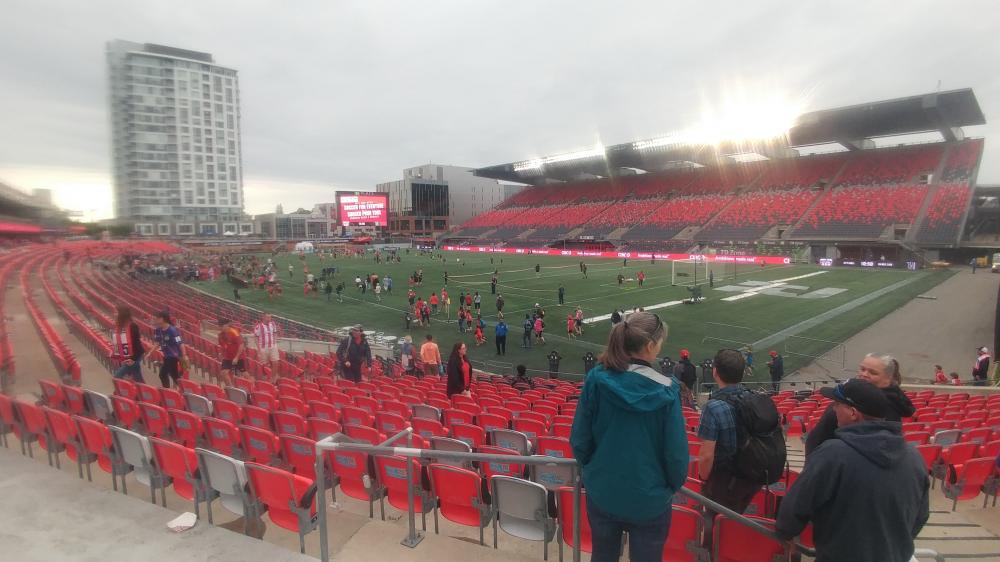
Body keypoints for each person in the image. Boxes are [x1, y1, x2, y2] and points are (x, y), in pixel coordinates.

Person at [570, 311, 687, 562]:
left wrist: (594, 472)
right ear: (649, 346)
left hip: (603, 492)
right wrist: (666, 488)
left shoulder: (596, 379)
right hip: (649, 499)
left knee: (602, 555)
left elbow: (580, 441)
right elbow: (676, 456)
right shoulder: (667, 391)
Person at [775, 379, 929, 562]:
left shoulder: (833, 453)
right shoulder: (914, 457)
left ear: (853, 413)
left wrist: (785, 532)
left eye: (838, 404)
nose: (833, 409)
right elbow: (920, 516)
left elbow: (796, 505)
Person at [805, 353, 915, 455]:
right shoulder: (897, 401)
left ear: (889, 378)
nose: (864, 374)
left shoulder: (843, 407)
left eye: (873, 372)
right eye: (862, 369)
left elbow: (815, 444)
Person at [697, 349, 761, 513]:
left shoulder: (712, 407)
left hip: (724, 482)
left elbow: (706, 456)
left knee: (716, 525)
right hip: (751, 476)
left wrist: (703, 480)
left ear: (715, 372)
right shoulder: (754, 397)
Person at [111, 305, 145, 383]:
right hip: (128, 357)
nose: (114, 314)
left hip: (134, 357)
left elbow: (137, 344)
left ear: (122, 314)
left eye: (116, 312)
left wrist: (133, 359)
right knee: (138, 378)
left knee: (116, 377)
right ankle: (144, 393)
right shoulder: (119, 326)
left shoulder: (132, 326)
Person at [153, 311, 185, 388]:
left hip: (173, 356)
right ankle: (185, 390)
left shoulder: (172, 330)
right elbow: (158, 342)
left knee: (163, 374)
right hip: (166, 356)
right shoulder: (158, 330)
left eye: (157, 318)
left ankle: (167, 391)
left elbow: (180, 343)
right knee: (174, 376)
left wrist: (184, 355)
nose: (155, 320)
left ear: (162, 319)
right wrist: (150, 353)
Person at [217, 318, 246, 385]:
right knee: (224, 373)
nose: (220, 328)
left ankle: (251, 385)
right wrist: (221, 353)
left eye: (222, 326)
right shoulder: (220, 335)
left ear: (227, 325)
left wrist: (236, 357)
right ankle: (231, 388)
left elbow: (241, 345)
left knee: (244, 373)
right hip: (228, 357)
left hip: (239, 357)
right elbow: (222, 346)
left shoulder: (234, 332)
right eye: (219, 326)